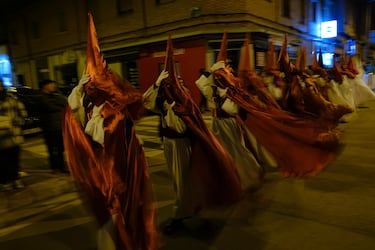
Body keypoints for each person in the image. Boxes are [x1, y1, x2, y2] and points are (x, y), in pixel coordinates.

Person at [62, 12, 157, 250]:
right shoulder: (91, 109)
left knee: (116, 224)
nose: (89, 91)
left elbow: (119, 146)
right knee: (109, 225)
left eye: (93, 87)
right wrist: (77, 89)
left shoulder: (113, 115)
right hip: (100, 179)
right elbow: (71, 113)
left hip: (114, 181)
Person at [143, 35, 243, 235]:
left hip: (182, 145)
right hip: (170, 144)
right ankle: (193, 211)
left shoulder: (182, 101)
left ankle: (183, 215)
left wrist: (171, 107)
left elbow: (180, 127)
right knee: (180, 182)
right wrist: (155, 85)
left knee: (185, 182)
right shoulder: (163, 99)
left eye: (171, 84)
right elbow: (146, 102)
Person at [0, 78, 27, 191]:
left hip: (14, 134)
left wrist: (18, 122)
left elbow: (23, 112)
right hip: (1, 137)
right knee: (2, 161)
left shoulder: (12, 98)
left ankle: (15, 179)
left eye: (0, 85)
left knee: (14, 159)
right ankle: (5, 181)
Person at [38, 79, 68, 173]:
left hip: (59, 126)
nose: (53, 87)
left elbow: (65, 103)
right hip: (49, 128)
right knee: (51, 149)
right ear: (45, 86)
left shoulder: (56, 95)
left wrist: (59, 104)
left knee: (60, 148)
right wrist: (60, 107)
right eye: (51, 85)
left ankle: (61, 166)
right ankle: (54, 167)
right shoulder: (41, 97)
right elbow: (50, 107)